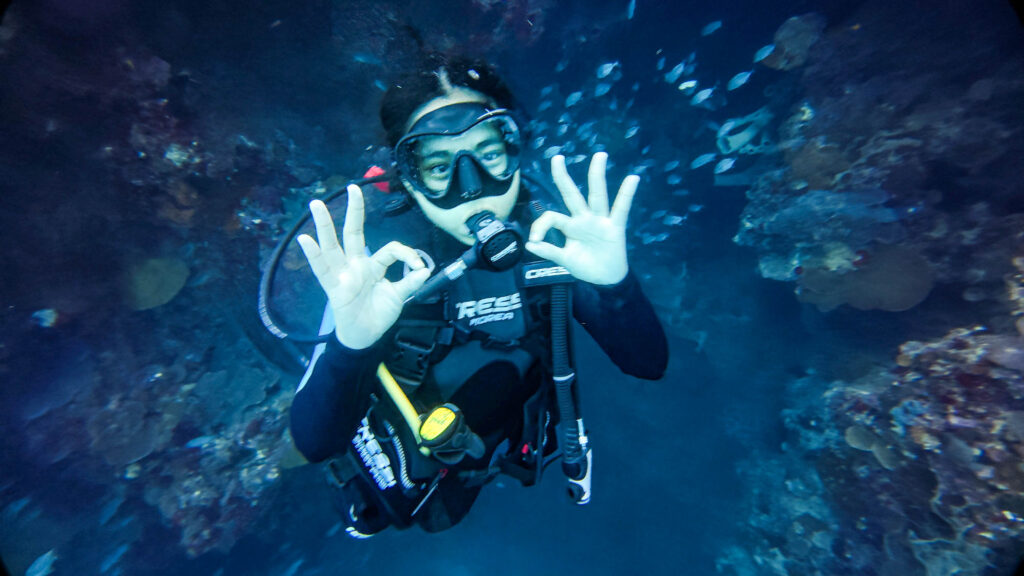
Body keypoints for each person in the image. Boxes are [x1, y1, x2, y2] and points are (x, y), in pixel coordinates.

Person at [289, 54, 668, 538]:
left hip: (502, 446)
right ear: (407, 176)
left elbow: (648, 363)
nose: (472, 190)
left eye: (488, 155)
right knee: (406, 513)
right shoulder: (376, 269)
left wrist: (617, 288)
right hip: (412, 465)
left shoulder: (550, 243)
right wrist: (351, 345)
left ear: (515, 149)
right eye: (438, 166)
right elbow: (316, 441)